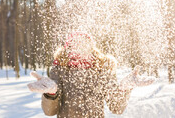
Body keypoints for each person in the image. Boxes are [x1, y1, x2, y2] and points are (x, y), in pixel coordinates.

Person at [27, 32, 155, 117]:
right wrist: (51, 94)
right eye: (74, 45)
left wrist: (123, 89)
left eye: (84, 45)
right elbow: (50, 111)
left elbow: (116, 108)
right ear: (67, 48)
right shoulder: (60, 69)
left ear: (91, 47)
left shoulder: (102, 69)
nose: (79, 49)